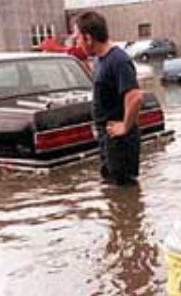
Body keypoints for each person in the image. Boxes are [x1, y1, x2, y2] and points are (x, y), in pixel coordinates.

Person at [73, 11, 143, 186]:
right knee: (111, 185)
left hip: (119, 140)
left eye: (77, 38)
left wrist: (125, 126)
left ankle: (129, 213)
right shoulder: (99, 60)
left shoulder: (118, 60)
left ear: (88, 38)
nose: (77, 43)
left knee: (123, 188)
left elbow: (135, 96)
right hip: (107, 136)